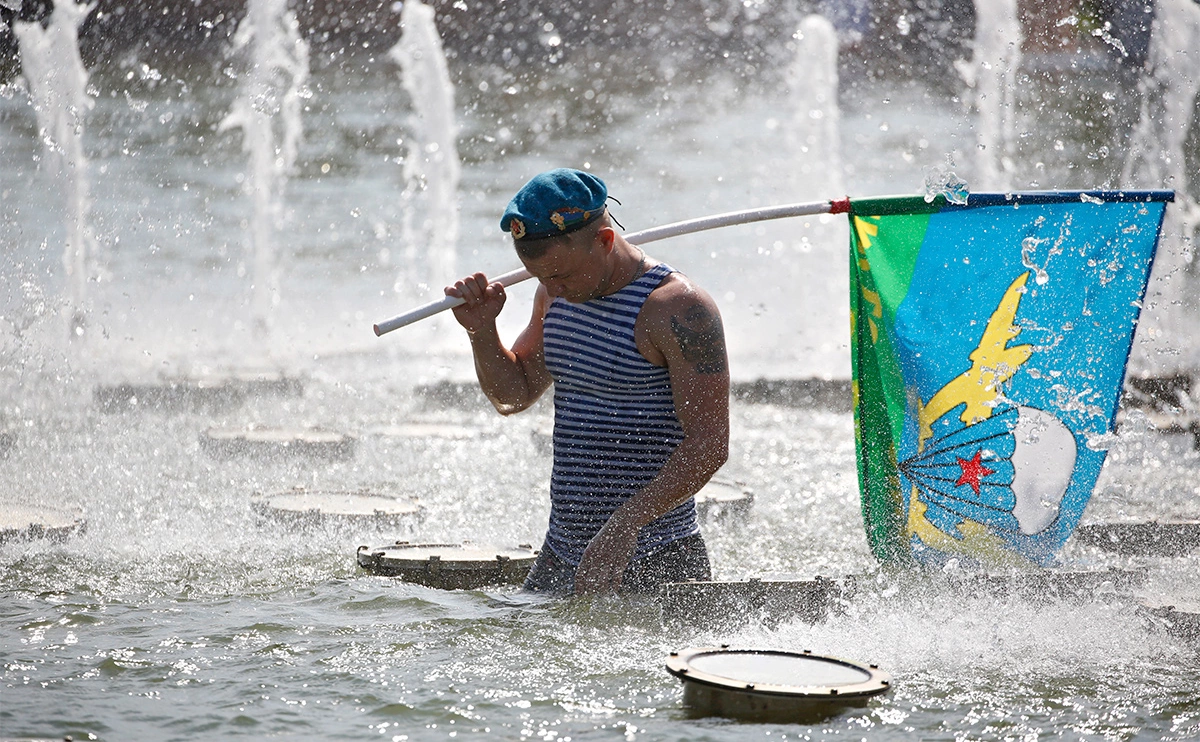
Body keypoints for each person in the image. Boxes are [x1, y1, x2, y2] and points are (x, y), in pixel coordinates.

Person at [444, 168, 730, 596]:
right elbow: (514, 396)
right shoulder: (554, 296)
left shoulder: (677, 308)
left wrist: (626, 523)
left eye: (562, 275)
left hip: (655, 552)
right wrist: (482, 332)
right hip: (561, 551)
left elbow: (709, 444)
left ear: (605, 240)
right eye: (540, 277)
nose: (553, 289)